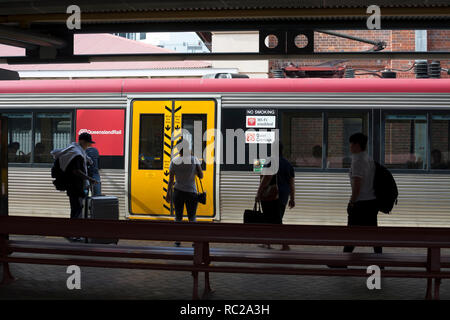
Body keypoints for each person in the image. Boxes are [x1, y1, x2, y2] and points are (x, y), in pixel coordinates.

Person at [51, 133, 98, 242]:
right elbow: (76, 171)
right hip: (75, 186)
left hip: (73, 186)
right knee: (76, 210)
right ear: (82, 141)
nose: (88, 145)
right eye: (87, 143)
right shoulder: (77, 154)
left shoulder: (76, 151)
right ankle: (71, 233)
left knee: (76, 209)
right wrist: (90, 179)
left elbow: (83, 161)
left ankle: (73, 233)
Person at [344, 132, 381, 255]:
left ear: (357, 145)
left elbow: (357, 186)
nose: (350, 147)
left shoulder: (358, 161)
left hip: (360, 204)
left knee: (351, 233)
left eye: (351, 144)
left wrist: (352, 202)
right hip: (372, 202)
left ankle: (343, 260)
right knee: (373, 234)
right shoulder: (368, 159)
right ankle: (380, 260)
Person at [165, 139, 203, 247]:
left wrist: (168, 193)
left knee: (178, 217)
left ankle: (178, 240)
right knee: (192, 217)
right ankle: (194, 240)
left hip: (178, 192)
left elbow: (171, 180)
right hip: (191, 193)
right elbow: (201, 176)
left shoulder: (174, 161)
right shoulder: (194, 159)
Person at [276, 143, 296, 250]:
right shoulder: (288, 165)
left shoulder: (270, 162)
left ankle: (285, 243)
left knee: (276, 220)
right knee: (277, 218)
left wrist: (259, 193)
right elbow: (291, 184)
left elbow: (264, 180)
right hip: (284, 196)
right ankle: (268, 242)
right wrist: (292, 199)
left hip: (272, 196)